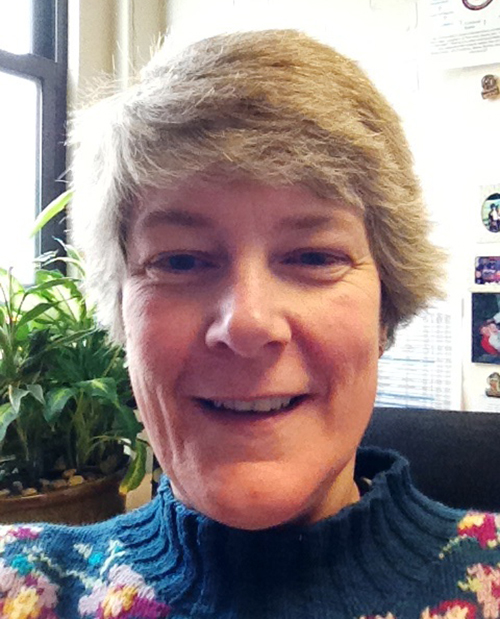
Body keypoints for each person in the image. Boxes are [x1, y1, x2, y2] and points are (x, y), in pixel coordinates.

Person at [1, 30, 499, 619]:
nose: (247, 324)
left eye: (313, 257)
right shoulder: (22, 587)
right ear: (122, 312)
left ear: (385, 310)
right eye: (180, 261)